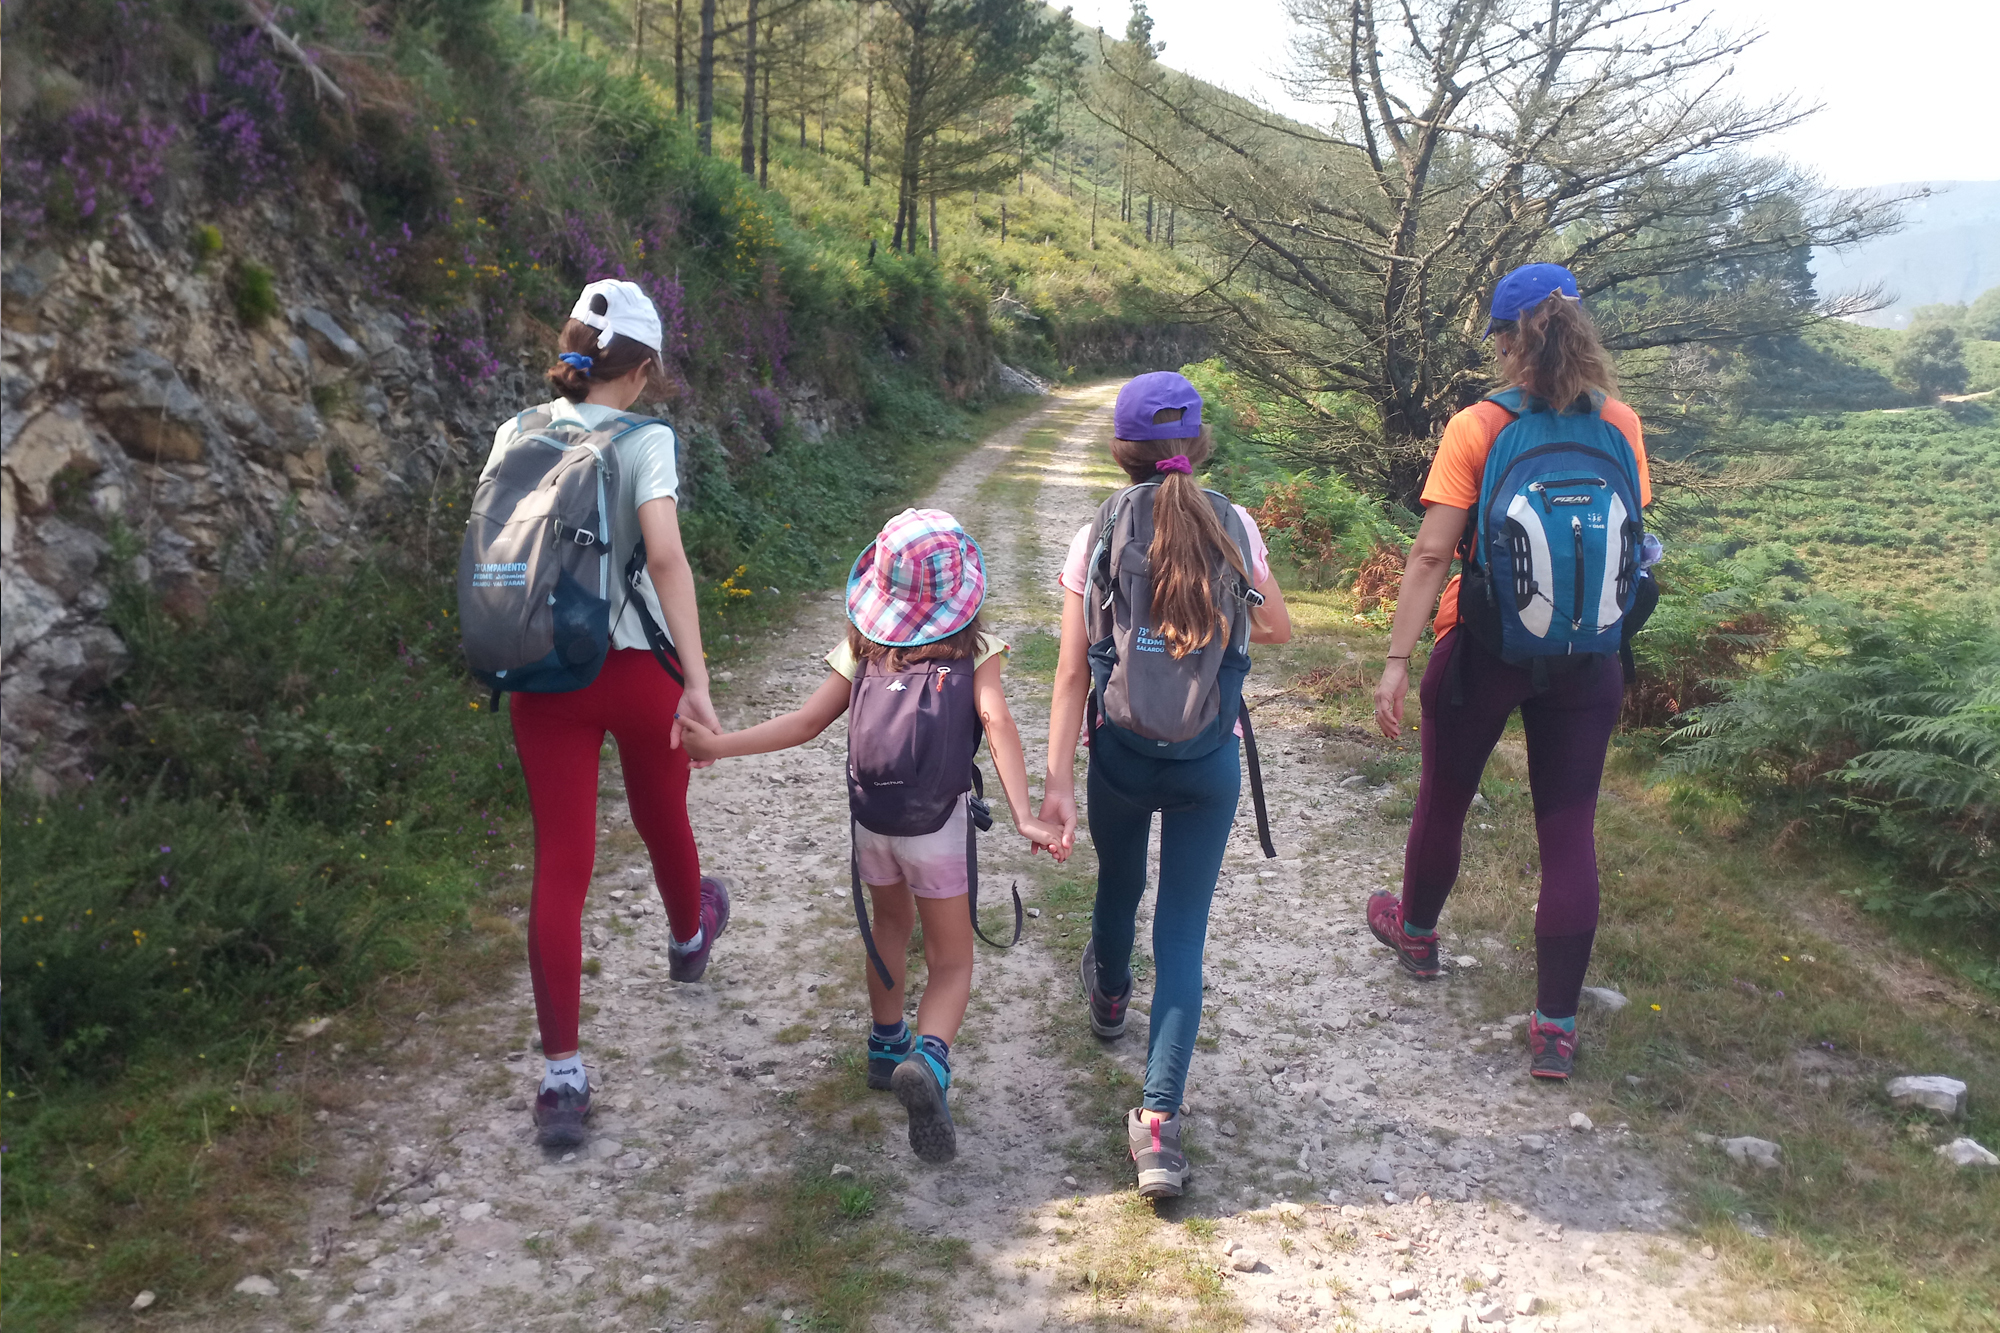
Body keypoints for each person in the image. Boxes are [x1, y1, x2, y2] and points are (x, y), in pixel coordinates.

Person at [681, 508, 1061, 1165]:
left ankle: (886, 1044)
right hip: (936, 827)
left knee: (888, 926)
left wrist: (718, 744)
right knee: (950, 960)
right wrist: (1025, 814)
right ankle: (930, 1061)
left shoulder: (861, 651)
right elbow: (996, 720)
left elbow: (804, 723)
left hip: (874, 823)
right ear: (963, 593)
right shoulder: (977, 652)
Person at [1368, 262, 1652, 1081]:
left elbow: (1432, 553)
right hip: (1588, 656)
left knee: (1445, 796)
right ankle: (1555, 1027)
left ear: (1504, 341)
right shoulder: (1620, 422)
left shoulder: (1479, 426)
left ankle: (1417, 935)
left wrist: (1396, 660)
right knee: (1568, 829)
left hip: (1485, 646)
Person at [482, 279, 730, 1147]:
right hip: (636, 672)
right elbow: (665, 557)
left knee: (561, 863)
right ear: (645, 366)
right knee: (664, 817)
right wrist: (697, 679)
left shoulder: (517, 430)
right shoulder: (645, 440)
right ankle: (688, 934)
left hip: (543, 670)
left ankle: (561, 1079)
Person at [1039, 372, 1293, 1199]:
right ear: (1200, 442)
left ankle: (1110, 997)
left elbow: (1071, 671)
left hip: (1120, 750)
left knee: (1119, 884)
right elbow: (1278, 627)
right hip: (1208, 759)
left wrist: (1056, 779)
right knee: (1183, 934)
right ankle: (1158, 1125)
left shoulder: (1100, 529)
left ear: (1123, 452)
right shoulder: (1234, 523)